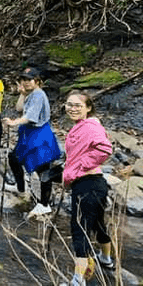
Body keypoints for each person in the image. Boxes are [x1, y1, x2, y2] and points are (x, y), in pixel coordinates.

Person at [63, 91, 114, 286]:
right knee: (98, 223)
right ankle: (105, 259)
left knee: (80, 230)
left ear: (88, 108)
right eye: (69, 104)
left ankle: (78, 281)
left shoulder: (91, 126)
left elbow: (104, 149)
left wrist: (79, 167)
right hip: (95, 183)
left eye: (77, 105)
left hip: (87, 183)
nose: (72, 108)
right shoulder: (81, 126)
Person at [3, 67, 61, 218]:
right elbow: (19, 108)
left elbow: (30, 116)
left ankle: (44, 205)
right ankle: (21, 188)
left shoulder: (38, 95)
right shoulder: (30, 94)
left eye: (29, 79)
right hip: (29, 134)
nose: (26, 82)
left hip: (39, 134)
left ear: (37, 81)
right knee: (14, 158)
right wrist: (22, 93)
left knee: (43, 170)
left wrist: (14, 123)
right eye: (23, 79)